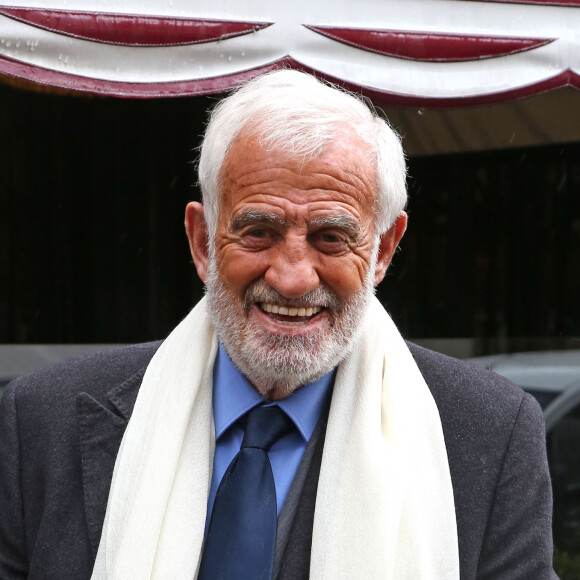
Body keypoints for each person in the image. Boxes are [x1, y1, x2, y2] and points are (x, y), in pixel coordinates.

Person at [0, 70, 556, 580]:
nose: (292, 278)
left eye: (331, 237)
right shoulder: (42, 421)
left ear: (384, 249)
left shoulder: (490, 435)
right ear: (202, 242)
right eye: (258, 231)